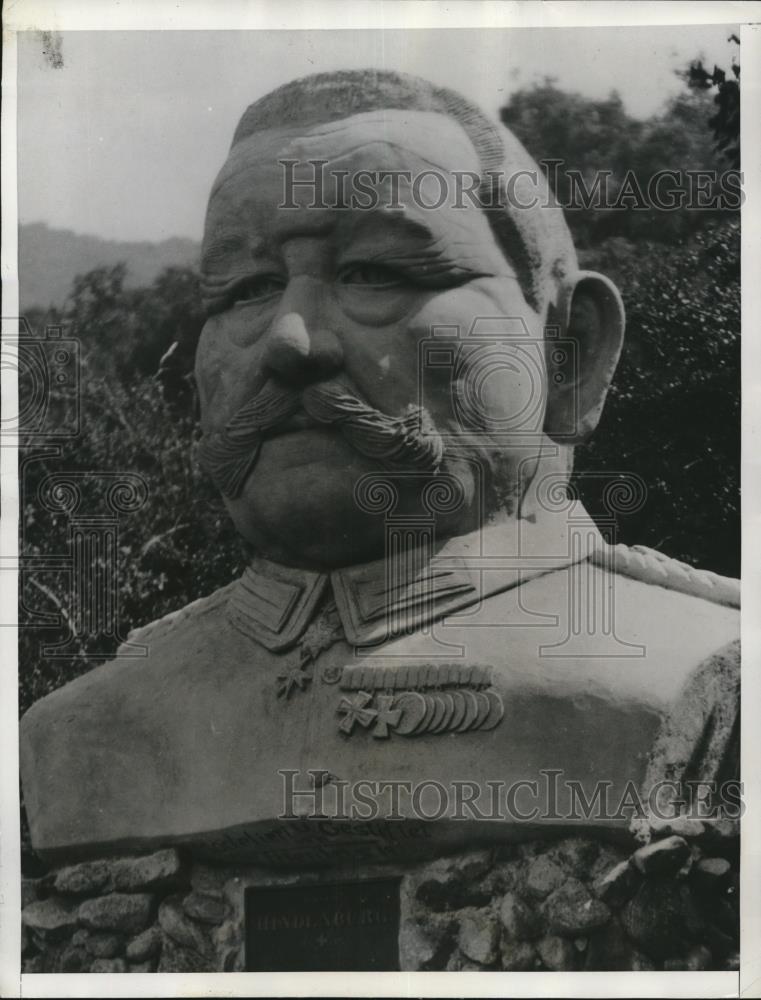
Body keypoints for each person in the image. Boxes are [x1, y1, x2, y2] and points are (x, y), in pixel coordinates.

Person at [21, 70, 739, 863]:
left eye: (376, 273)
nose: (291, 342)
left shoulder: (709, 681)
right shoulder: (85, 732)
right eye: (246, 289)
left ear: (568, 355)